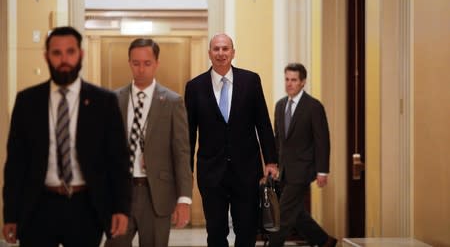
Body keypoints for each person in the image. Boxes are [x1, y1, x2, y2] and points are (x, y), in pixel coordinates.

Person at [2, 26, 131, 247]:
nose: (64, 60)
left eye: (70, 52)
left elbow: (118, 160)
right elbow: (15, 163)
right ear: (46, 56)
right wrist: (10, 215)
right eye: (57, 53)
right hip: (38, 206)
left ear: (81, 55)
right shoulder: (27, 101)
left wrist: (120, 208)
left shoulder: (104, 102)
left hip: (86, 206)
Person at [184, 33, 278, 247]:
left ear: (233, 52)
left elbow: (263, 122)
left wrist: (271, 161)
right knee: (216, 231)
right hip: (210, 173)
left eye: (225, 49)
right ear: (209, 54)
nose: (221, 53)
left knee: (246, 230)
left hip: (246, 171)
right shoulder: (195, 87)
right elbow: (188, 133)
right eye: (216, 49)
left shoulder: (250, 81)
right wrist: (186, 169)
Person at [104, 38, 192, 247]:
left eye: (147, 63)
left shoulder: (172, 101)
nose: (141, 69)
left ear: (156, 64)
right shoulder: (113, 100)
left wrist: (184, 199)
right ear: (129, 63)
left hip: (156, 195)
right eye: (136, 63)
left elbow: (181, 152)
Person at [268, 63, 337, 247]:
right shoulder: (280, 105)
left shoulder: (313, 107)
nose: (289, 84)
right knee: (296, 213)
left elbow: (322, 141)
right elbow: (278, 140)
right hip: (284, 171)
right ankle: (324, 241)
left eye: (294, 80)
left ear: (303, 82)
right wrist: (273, 164)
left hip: (303, 170)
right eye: (287, 79)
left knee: (281, 216)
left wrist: (322, 171)